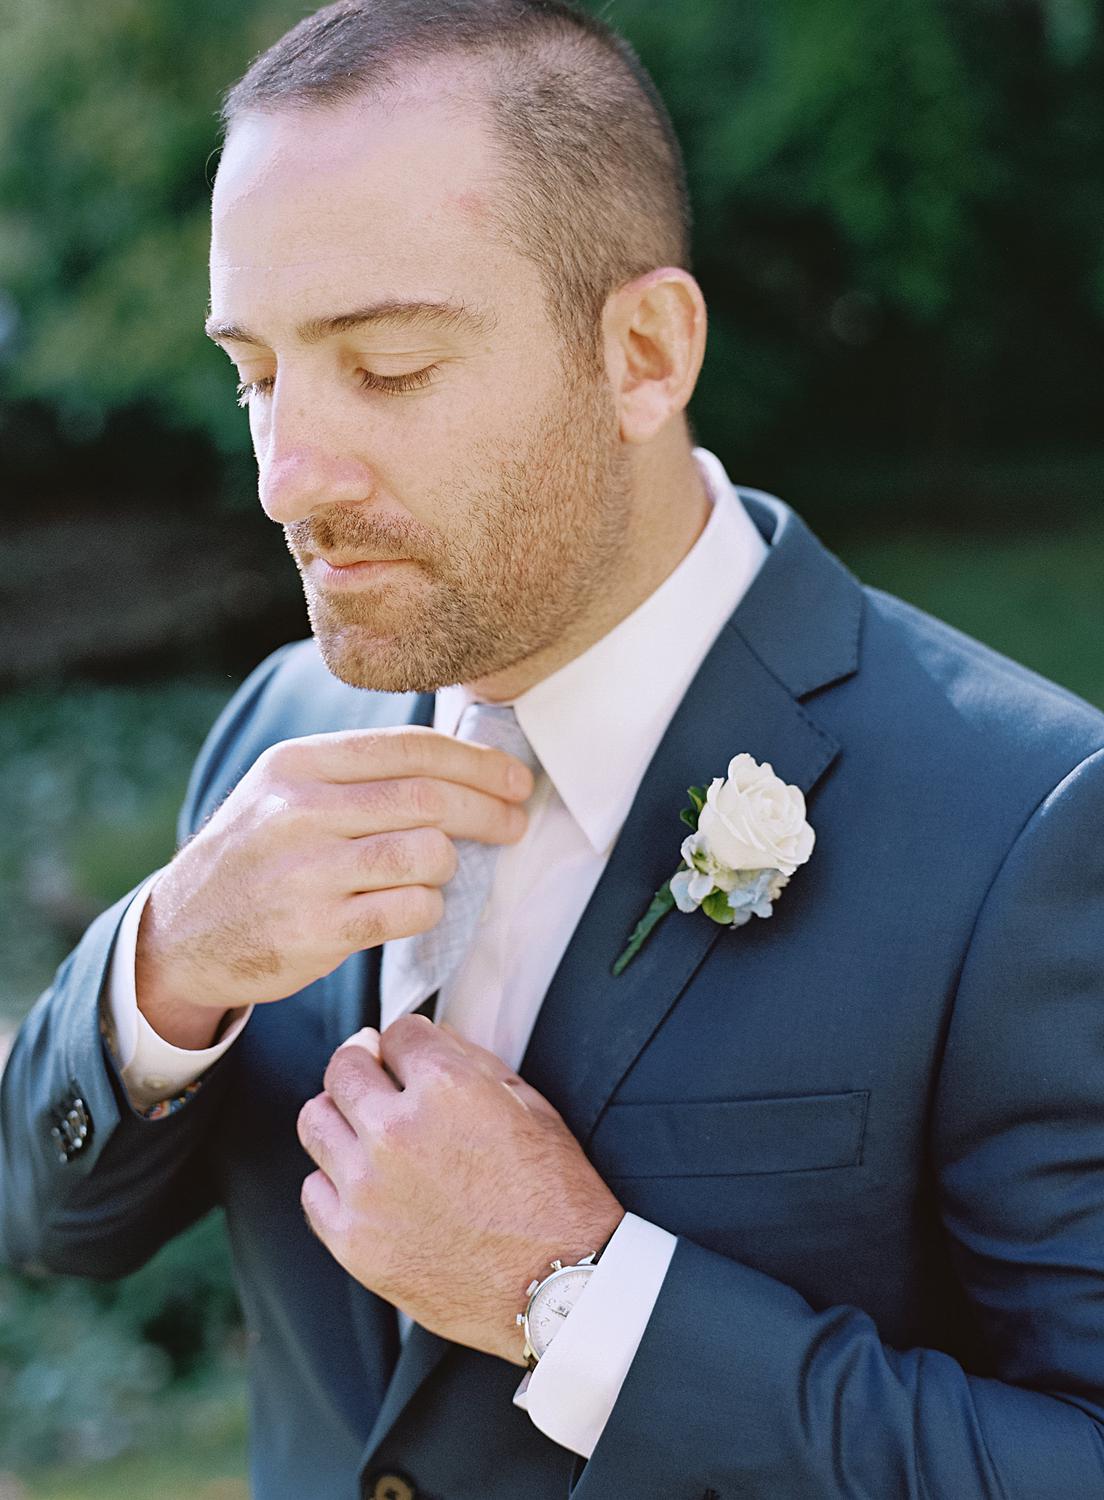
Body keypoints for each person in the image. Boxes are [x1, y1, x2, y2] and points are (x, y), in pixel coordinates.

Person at [3, 1, 1104, 1496]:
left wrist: (578, 1301)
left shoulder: (1029, 825)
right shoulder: (280, 730)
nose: (285, 480)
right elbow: (56, 1217)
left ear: (644, 352)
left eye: (384, 366)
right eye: (255, 371)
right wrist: (162, 968)